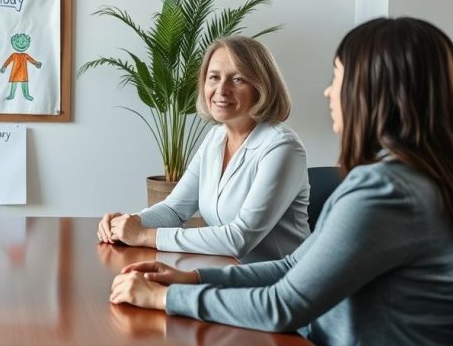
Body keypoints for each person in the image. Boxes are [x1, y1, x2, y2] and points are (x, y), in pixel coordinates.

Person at [111, 17, 453, 346]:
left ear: (373, 91)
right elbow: (296, 264)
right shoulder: (421, 177)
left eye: (338, 78)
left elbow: (284, 306)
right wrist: (194, 277)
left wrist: (166, 299)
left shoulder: (386, 193)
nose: (329, 92)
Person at [98, 36, 310, 264]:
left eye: (237, 79)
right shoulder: (216, 138)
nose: (222, 90)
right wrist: (129, 223)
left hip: (281, 286)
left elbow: (239, 238)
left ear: (262, 87)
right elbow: (175, 210)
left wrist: (144, 235)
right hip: (227, 273)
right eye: (214, 77)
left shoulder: (282, 148)